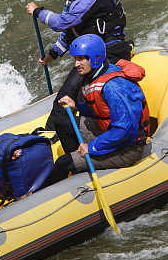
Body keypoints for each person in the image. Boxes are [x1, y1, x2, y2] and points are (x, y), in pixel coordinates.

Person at [25, 0, 132, 131]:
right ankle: (55, 132)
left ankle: (67, 134)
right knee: (69, 92)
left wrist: (38, 12)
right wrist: (53, 53)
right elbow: (71, 31)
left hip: (110, 51)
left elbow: (62, 23)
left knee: (77, 95)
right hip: (93, 54)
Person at [42, 34, 149, 187]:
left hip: (128, 147)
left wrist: (92, 147)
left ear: (95, 58)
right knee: (61, 121)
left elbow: (125, 130)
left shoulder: (113, 86)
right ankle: (80, 167)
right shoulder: (95, 74)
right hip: (107, 131)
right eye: (75, 59)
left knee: (63, 163)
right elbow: (102, 111)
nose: (76, 64)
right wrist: (77, 106)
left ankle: (73, 167)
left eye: (80, 59)